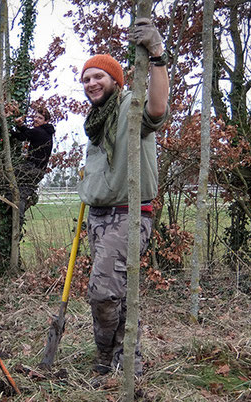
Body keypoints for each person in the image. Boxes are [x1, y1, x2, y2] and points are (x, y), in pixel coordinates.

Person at [77, 18, 170, 376]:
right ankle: (123, 358)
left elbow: (158, 109)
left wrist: (157, 55)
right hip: (99, 217)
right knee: (117, 291)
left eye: (98, 76)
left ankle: (112, 355)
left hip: (128, 215)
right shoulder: (96, 120)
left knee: (103, 292)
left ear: (115, 80)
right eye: (85, 79)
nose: (91, 83)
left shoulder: (129, 105)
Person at [10, 108, 55, 228]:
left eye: (40, 118)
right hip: (39, 172)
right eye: (35, 116)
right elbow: (26, 134)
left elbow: (25, 135)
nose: (36, 119)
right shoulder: (46, 132)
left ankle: (12, 208)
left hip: (31, 168)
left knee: (9, 175)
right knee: (22, 195)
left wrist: (13, 129)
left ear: (46, 121)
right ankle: (17, 224)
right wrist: (20, 128)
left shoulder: (41, 132)